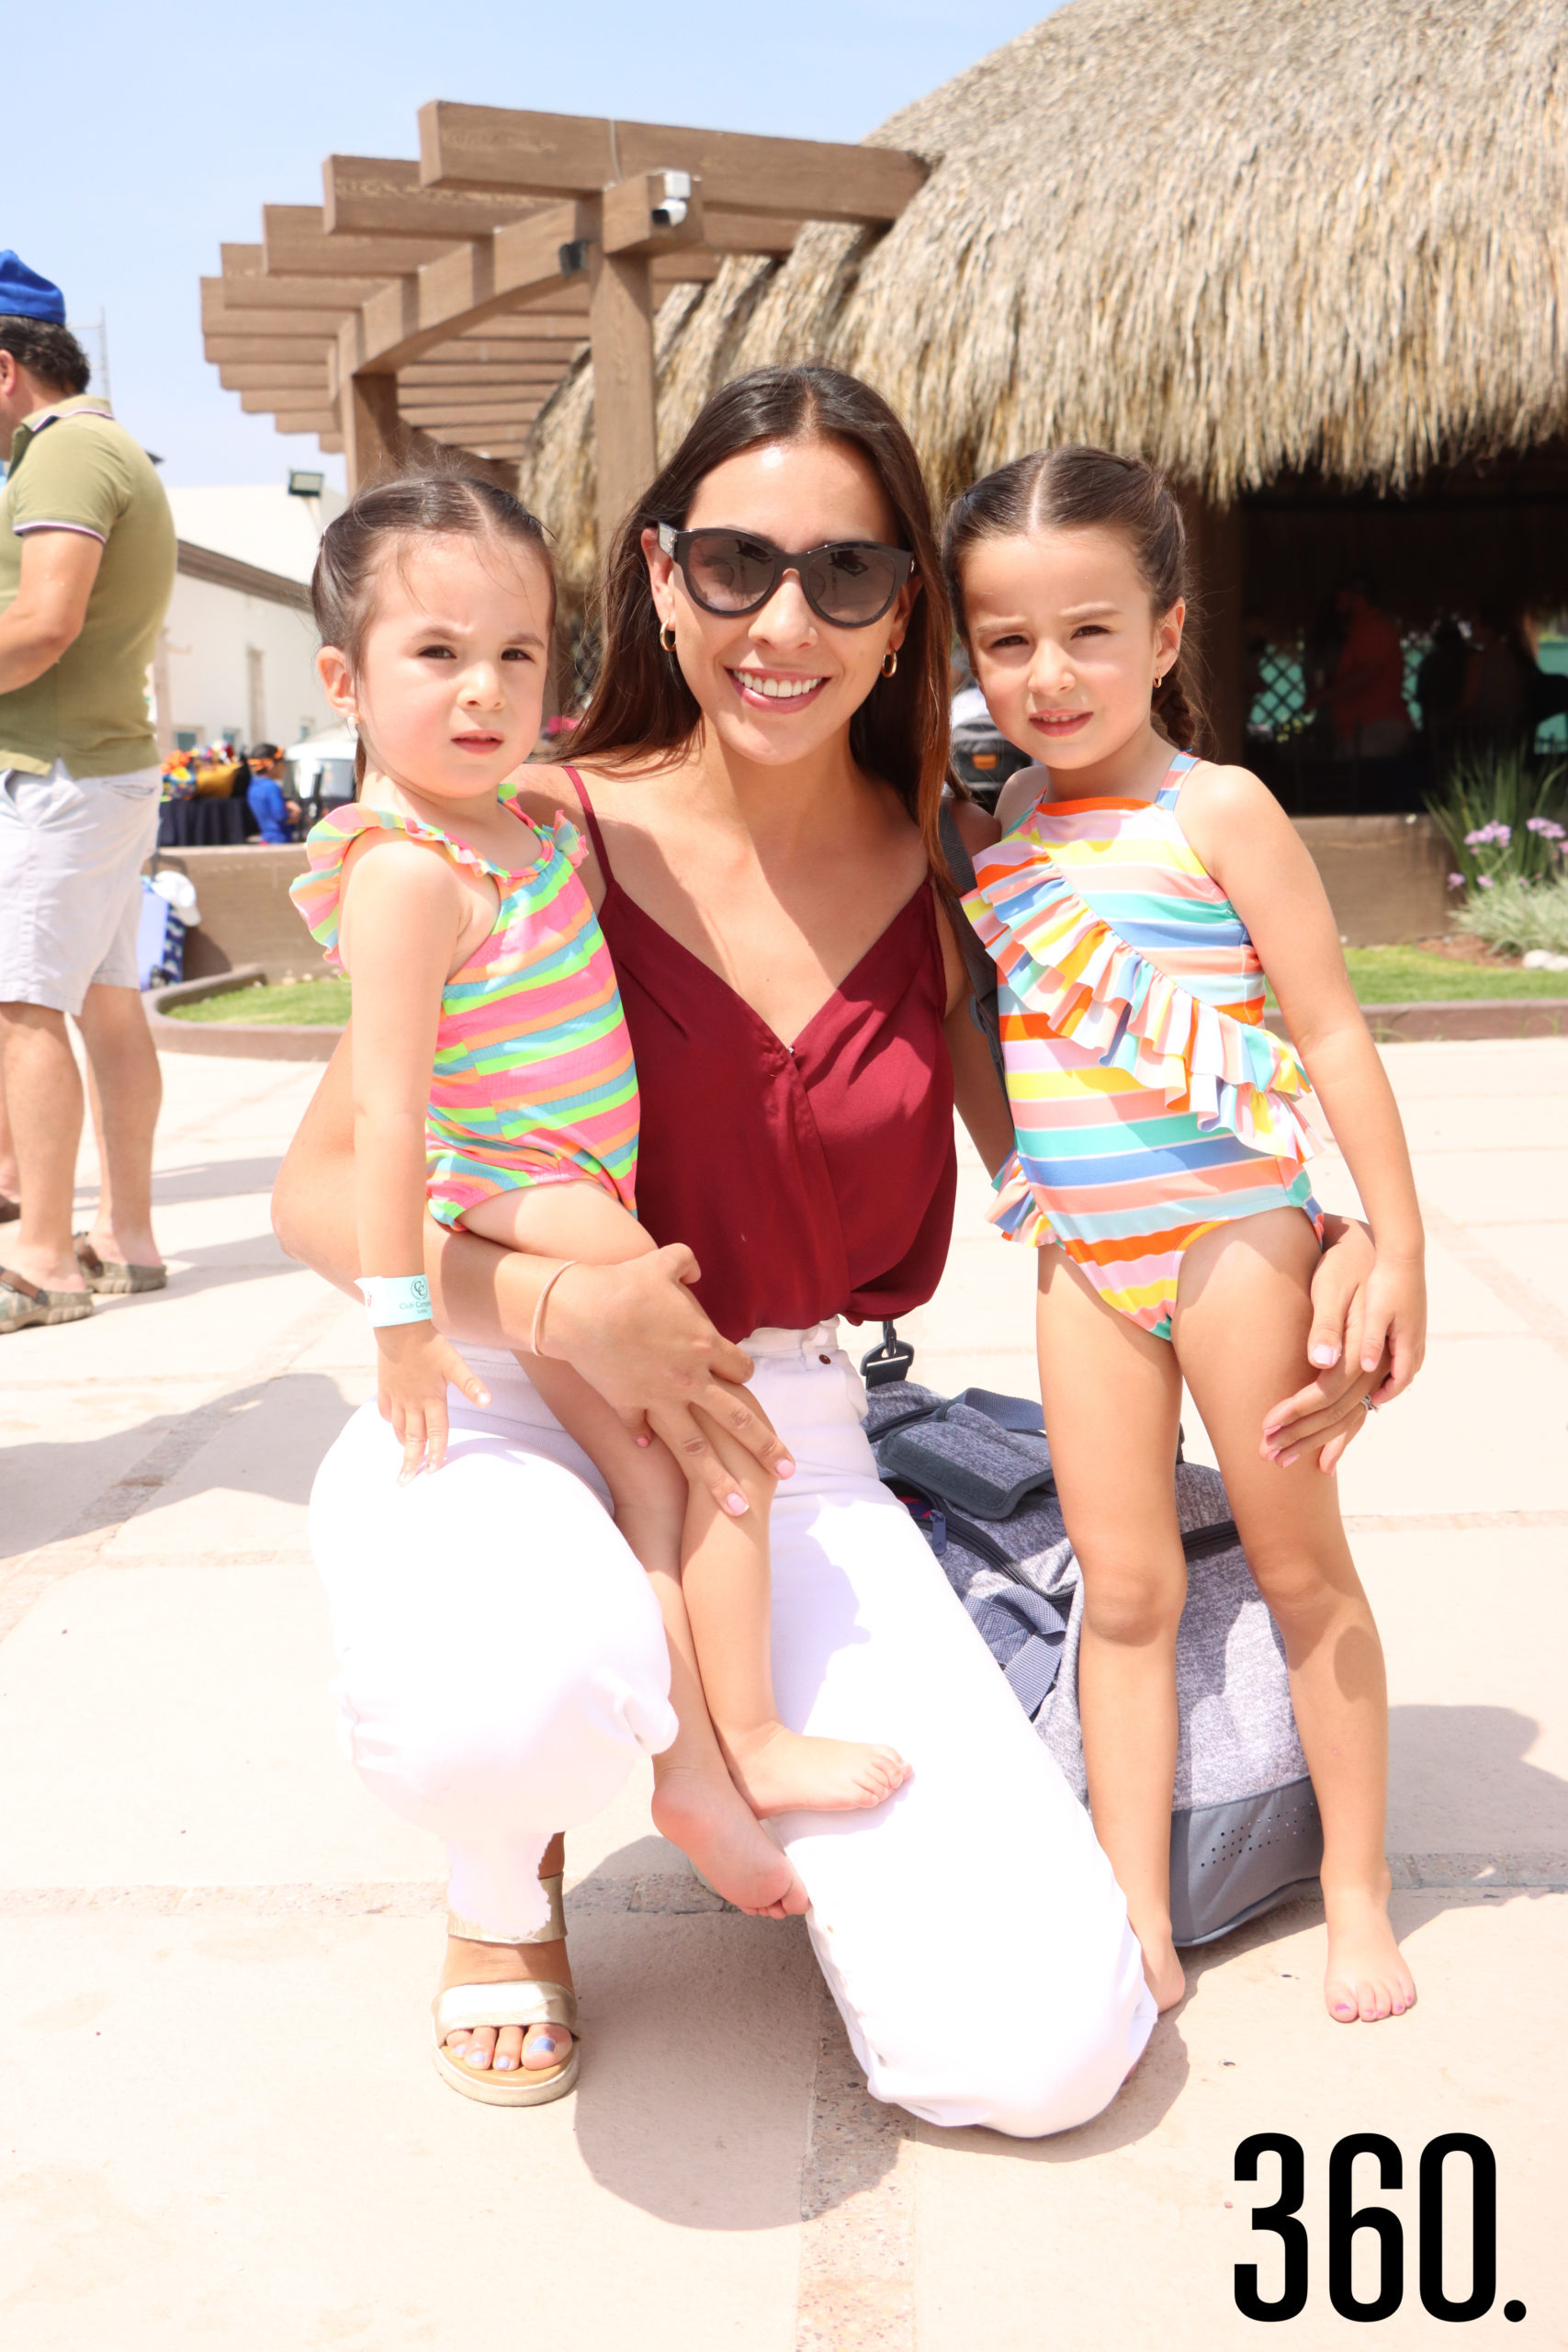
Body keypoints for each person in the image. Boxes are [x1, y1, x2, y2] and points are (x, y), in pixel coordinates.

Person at [273, 368, 1384, 2131]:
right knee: (504, 1699)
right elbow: (317, 1192)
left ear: (903, 619)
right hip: (506, 1400)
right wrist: (566, 1304)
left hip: (782, 1439)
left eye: (847, 578)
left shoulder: (951, 860)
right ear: (657, 578)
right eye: (734, 566)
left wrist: (1323, 1233)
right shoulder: (530, 823)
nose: (783, 622)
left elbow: (1114, 1128)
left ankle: (740, 1766)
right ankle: (506, 1884)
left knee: (1039, 2054)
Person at [288, 469, 908, 2038]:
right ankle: (727, 1751)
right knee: (714, 1447)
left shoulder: (527, 825)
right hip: (538, 1191)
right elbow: (379, 1123)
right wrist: (400, 1326)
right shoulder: (413, 872)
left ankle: (701, 1762)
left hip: (559, 1186)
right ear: (345, 684)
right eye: (436, 657)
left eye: (517, 654)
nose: (486, 691)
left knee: (660, 1475)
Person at [945, 446, 1425, 2027]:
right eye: (1005, 641)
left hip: (1234, 1245)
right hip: (1085, 1263)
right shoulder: (999, 821)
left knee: (1300, 1574)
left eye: (1089, 631)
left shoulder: (1215, 807)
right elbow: (985, 1025)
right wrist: (1015, 1177)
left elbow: (1332, 1034)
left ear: (1163, 633)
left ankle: (1355, 1890)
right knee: (1125, 1589)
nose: (1048, 672)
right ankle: (1132, 1907)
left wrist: (1395, 1242)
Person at [0, 252, 175, 1333]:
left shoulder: (60, 458)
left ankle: (47, 1258)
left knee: (24, 1009)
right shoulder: (107, 446)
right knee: (110, 1007)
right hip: (103, 770)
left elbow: (42, 623)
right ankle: (129, 1238)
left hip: (61, 776)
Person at [1319, 578, 1414, 761]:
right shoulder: (1358, 631)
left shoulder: (1374, 629)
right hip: (1361, 729)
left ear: (1358, 599)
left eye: (1341, 598)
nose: (1337, 604)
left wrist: (1322, 696)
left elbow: (1363, 676)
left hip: (1377, 727)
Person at [244, 742, 301, 842]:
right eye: (282, 763)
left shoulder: (253, 786)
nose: (283, 767)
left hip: (266, 839)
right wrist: (295, 814)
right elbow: (280, 815)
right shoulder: (271, 786)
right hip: (280, 840)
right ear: (271, 765)